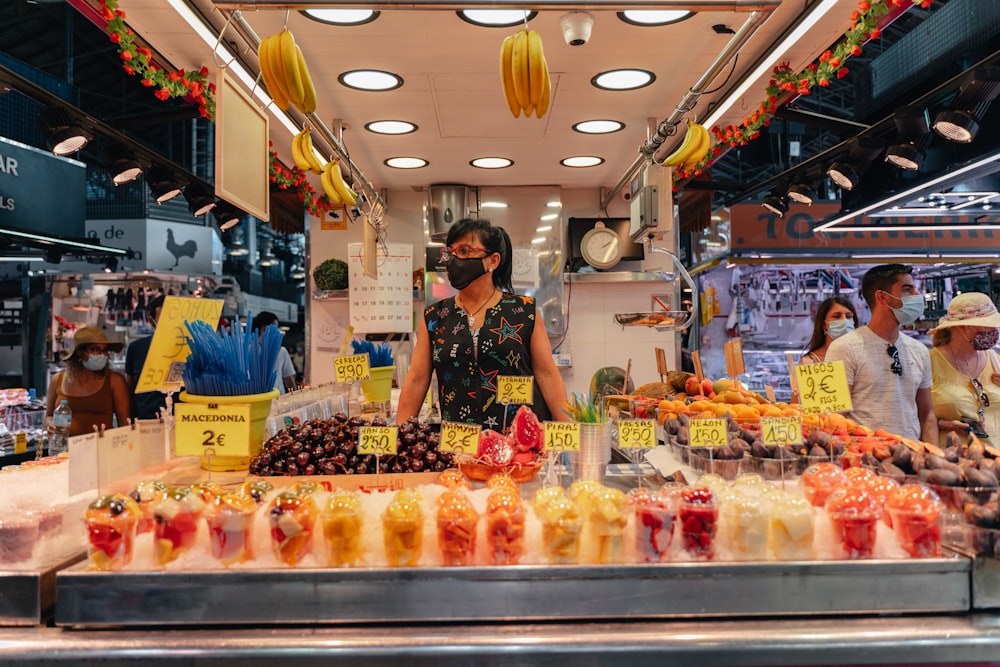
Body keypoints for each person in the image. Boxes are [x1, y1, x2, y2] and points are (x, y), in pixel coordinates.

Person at [396, 218, 569, 429]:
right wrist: (399, 436)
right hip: (460, 442)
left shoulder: (524, 311)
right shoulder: (435, 316)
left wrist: (568, 434)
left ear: (493, 261)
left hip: (519, 443)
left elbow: (547, 374)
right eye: (450, 252)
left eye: (465, 251)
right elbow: (417, 379)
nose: (454, 259)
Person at [825, 264, 937, 443]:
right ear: (882, 297)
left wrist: (935, 456)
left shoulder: (921, 351)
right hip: (864, 458)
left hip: (911, 456)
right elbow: (832, 417)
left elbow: (927, 413)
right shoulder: (843, 348)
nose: (917, 296)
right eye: (907, 290)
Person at [929, 292, 1000, 446]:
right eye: (988, 326)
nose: (994, 331)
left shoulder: (996, 361)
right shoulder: (928, 363)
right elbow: (912, 413)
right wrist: (944, 424)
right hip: (955, 458)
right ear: (962, 328)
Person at [46, 326, 131, 436]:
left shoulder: (114, 381)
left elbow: (125, 424)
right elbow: (48, 416)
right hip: (64, 450)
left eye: (105, 350)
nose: (102, 354)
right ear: (80, 353)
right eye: (95, 350)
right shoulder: (58, 380)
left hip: (101, 450)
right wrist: (49, 424)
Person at [124, 294, 169, 420]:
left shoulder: (192, 349)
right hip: (146, 420)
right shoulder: (136, 348)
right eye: (164, 317)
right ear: (151, 320)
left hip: (183, 420)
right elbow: (130, 388)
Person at [799, 296, 860, 365]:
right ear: (823, 324)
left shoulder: (860, 359)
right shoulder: (808, 362)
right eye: (836, 316)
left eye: (848, 316)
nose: (844, 320)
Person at [252, 312, 297, 394]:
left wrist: (295, 397)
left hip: (279, 399)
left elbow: (288, 377)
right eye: (274, 327)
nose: (277, 331)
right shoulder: (249, 350)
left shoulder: (281, 351)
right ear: (263, 329)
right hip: (257, 398)